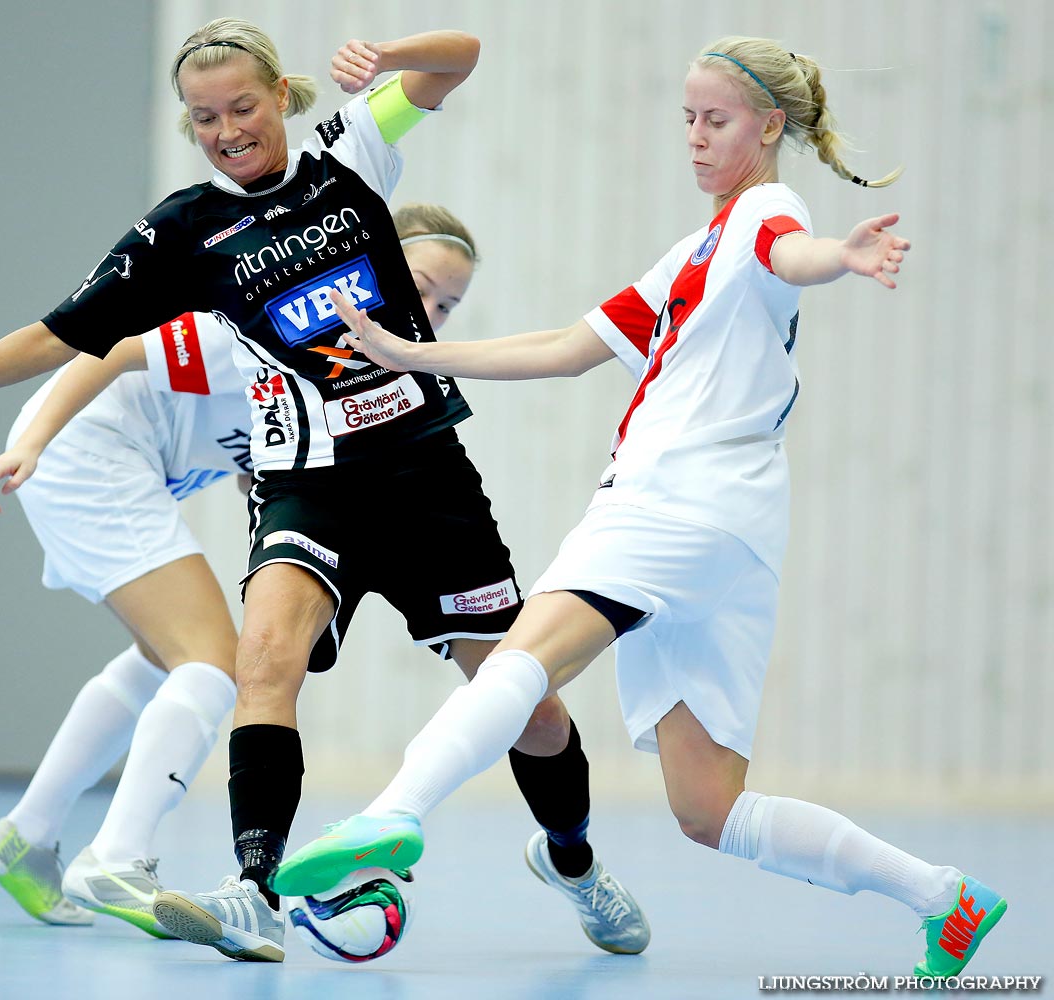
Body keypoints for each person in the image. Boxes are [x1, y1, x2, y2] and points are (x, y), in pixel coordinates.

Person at [0, 20, 647, 964]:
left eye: (242, 107)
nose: (226, 129)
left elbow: (461, 55)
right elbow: (66, 335)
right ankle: (253, 890)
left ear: (280, 96)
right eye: (203, 118)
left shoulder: (352, 153)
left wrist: (387, 58)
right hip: (307, 482)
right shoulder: (181, 230)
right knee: (262, 657)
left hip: (426, 474)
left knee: (532, 705)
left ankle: (574, 861)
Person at [270, 36, 1006, 981]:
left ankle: (393, 816)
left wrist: (842, 256)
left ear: (770, 125)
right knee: (711, 812)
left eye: (718, 121)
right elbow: (569, 345)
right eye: (688, 119)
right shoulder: (699, 248)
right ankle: (946, 896)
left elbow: (793, 250)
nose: (696, 138)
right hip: (735, 534)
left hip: (673, 497)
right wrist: (415, 357)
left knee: (523, 658)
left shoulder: (765, 214)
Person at [0, 309, 249, 938]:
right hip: (88, 449)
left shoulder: (357, 366)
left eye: (449, 303)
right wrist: (31, 444)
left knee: (162, 659)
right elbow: (114, 348)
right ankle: (115, 857)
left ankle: (26, 835)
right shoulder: (275, 317)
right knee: (212, 659)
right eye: (418, 285)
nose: (430, 311)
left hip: (117, 461)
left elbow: (254, 465)